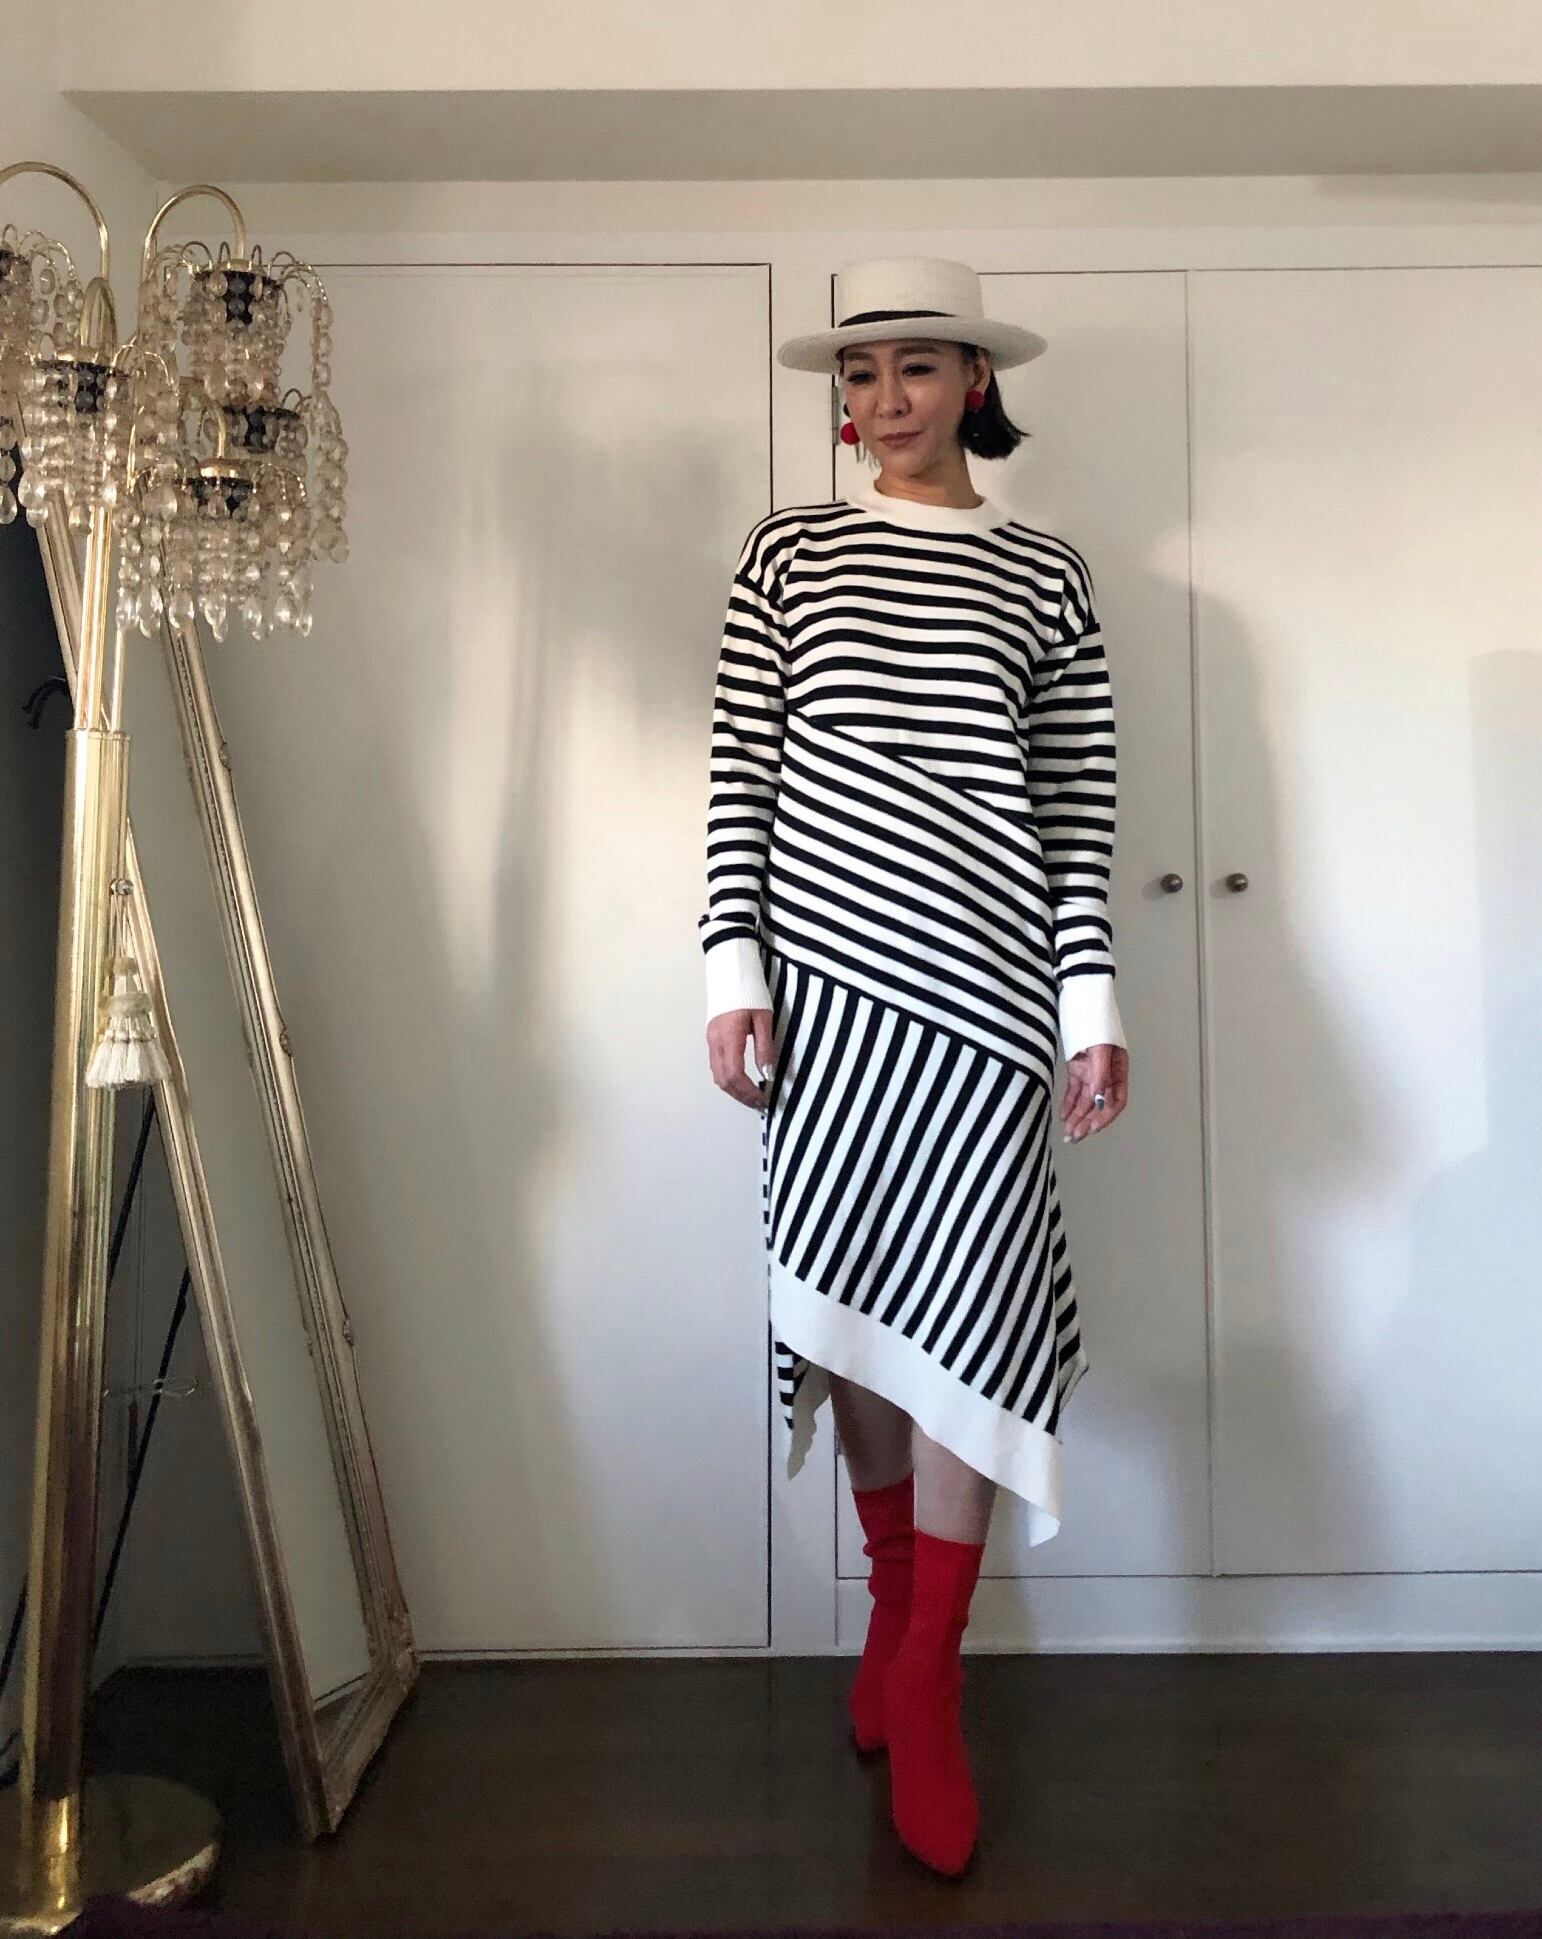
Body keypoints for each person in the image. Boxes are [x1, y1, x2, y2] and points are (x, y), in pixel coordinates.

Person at [697, 256, 1130, 1877]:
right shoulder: (787, 554)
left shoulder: (1046, 574)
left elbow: (1074, 810)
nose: (883, 401)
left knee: (969, 1313)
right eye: (859, 374)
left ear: (973, 382)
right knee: (861, 1309)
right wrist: (729, 973)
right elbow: (742, 774)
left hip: (988, 997)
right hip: (824, 999)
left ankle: (930, 1676)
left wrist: (1089, 1006)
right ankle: (892, 1610)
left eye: (914, 369)